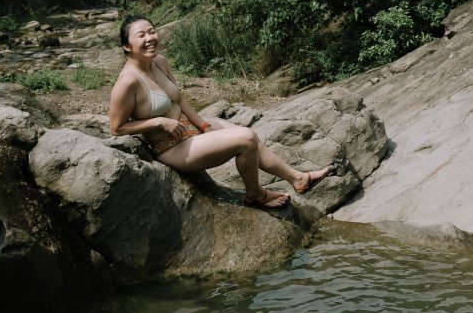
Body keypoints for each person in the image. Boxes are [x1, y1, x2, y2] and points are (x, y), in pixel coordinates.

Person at [108, 14, 331, 209]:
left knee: (246, 136)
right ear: (127, 46)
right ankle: (255, 194)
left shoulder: (160, 62)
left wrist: (204, 126)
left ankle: (298, 178)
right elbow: (116, 127)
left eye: (152, 32)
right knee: (246, 138)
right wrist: (158, 123)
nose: (150, 39)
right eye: (141, 35)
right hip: (170, 146)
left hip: (189, 127)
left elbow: (180, 99)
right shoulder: (127, 82)